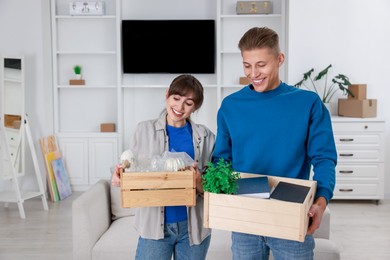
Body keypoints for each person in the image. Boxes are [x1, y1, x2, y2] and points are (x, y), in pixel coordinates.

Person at [212, 27, 337, 259]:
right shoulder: (231, 106)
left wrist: (321, 202)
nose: (253, 73)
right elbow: (221, 159)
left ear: (280, 59)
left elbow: (324, 158)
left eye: (261, 64)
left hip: (291, 214)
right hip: (245, 218)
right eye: (247, 65)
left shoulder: (308, 103)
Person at [112, 74, 215, 260]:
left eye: (188, 103)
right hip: (154, 227)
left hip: (193, 228)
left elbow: (212, 190)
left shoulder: (205, 136)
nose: (180, 107)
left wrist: (198, 181)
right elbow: (132, 169)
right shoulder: (144, 130)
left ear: (195, 107)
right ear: (167, 95)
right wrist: (120, 175)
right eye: (176, 98)